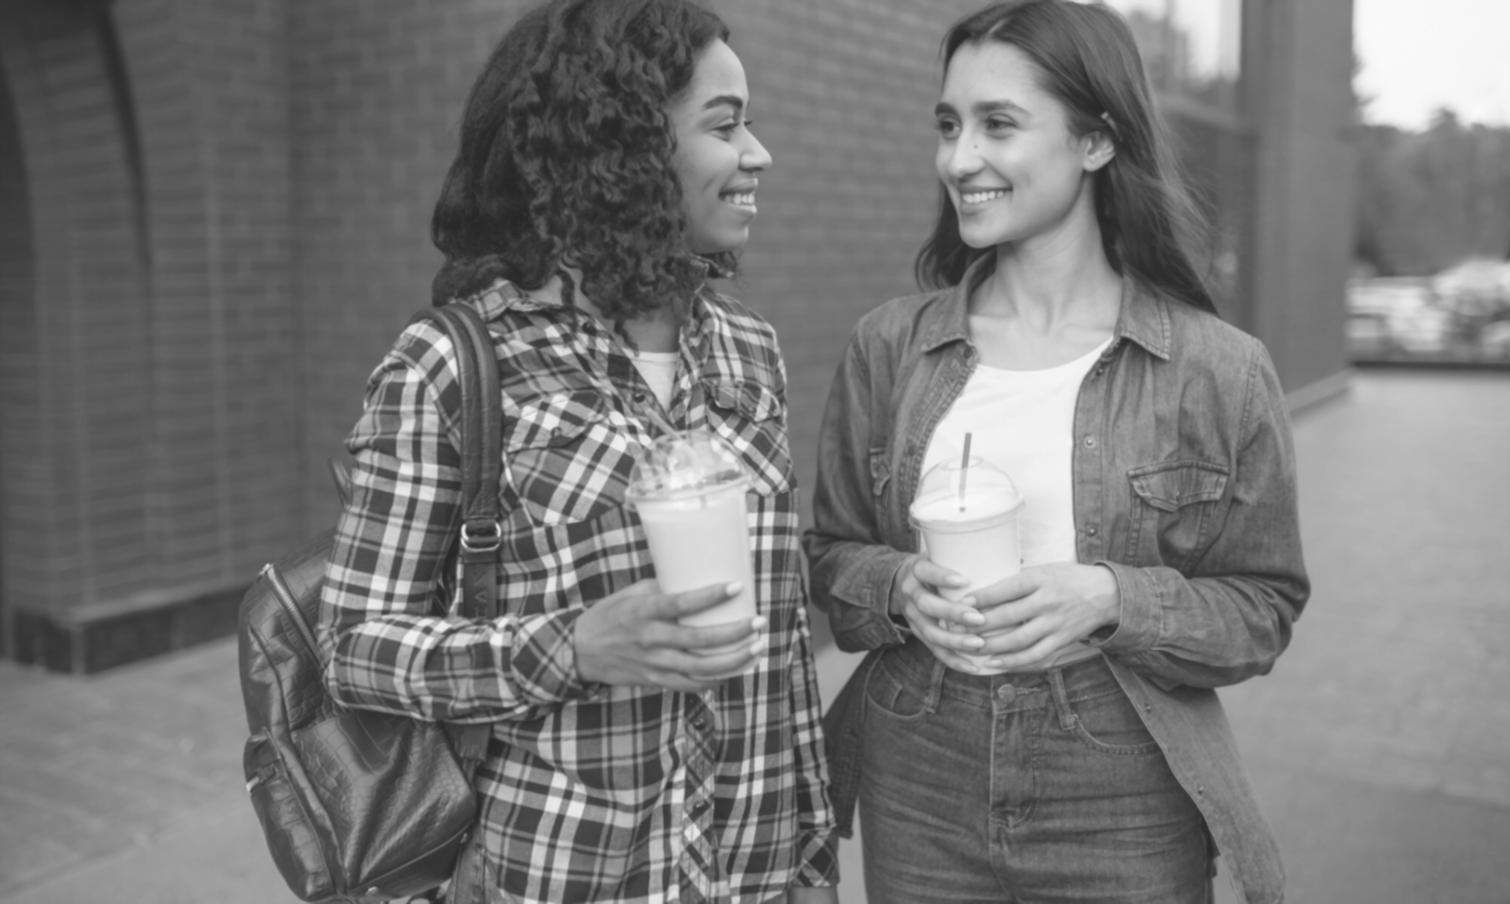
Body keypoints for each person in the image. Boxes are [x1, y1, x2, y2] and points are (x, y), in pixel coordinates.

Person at [317, 2, 839, 902]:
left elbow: (785, 646)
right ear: (627, 150)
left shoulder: (749, 351)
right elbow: (353, 648)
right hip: (563, 874)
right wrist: (575, 646)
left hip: (750, 873)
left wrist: (812, 862)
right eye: (725, 125)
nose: (758, 154)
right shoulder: (457, 363)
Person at [804, 2, 1309, 902]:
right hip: (919, 765)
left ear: (1096, 143)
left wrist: (1111, 598)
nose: (960, 159)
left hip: (1122, 778)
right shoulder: (888, 348)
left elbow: (1262, 609)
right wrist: (896, 588)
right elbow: (832, 560)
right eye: (949, 125)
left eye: (999, 124)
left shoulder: (1217, 370)